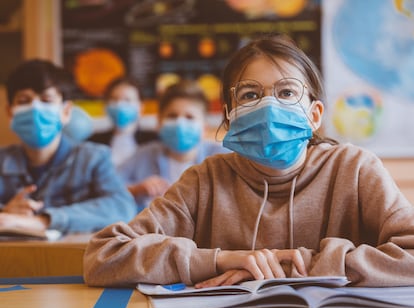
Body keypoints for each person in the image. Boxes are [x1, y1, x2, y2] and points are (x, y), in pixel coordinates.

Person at [83, 35, 414, 288]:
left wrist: (292, 267)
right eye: (250, 95)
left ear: (314, 115)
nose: (269, 107)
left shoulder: (355, 169)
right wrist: (222, 260)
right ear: (229, 117)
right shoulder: (204, 180)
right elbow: (103, 256)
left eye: (286, 93)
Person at [0, 59, 136, 234]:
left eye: (46, 100)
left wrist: (44, 220)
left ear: (66, 112)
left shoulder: (93, 158)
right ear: (10, 113)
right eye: (24, 100)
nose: (35, 109)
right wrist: (5, 213)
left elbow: (122, 207)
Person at [117, 80, 230, 213]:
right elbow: (108, 187)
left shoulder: (223, 158)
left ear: (204, 128)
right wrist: (136, 189)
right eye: (172, 116)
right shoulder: (144, 155)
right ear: (159, 124)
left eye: (189, 117)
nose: (180, 123)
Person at [89, 77, 158, 167]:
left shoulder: (154, 141)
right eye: (114, 99)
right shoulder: (93, 143)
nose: (120, 105)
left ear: (141, 107)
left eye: (127, 100)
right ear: (105, 105)